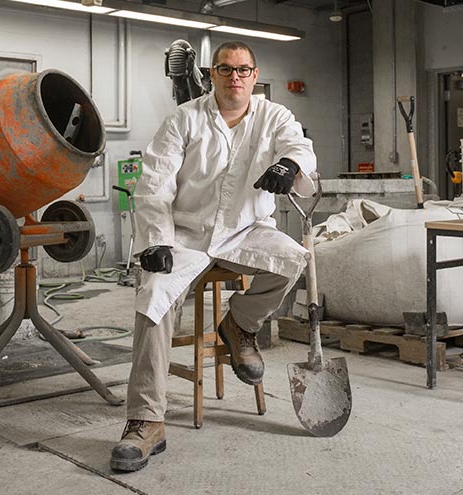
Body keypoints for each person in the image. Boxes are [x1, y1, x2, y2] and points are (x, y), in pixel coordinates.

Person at [110, 41, 317, 472]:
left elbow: (301, 147)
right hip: (186, 233)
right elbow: (154, 183)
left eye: (243, 70)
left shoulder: (273, 116)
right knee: (153, 298)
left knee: (296, 258)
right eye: (226, 70)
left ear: (254, 76)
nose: (235, 77)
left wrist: (289, 164)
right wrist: (154, 240)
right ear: (211, 75)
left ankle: (239, 323)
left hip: (247, 230)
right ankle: (146, 421)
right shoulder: (184, 119)